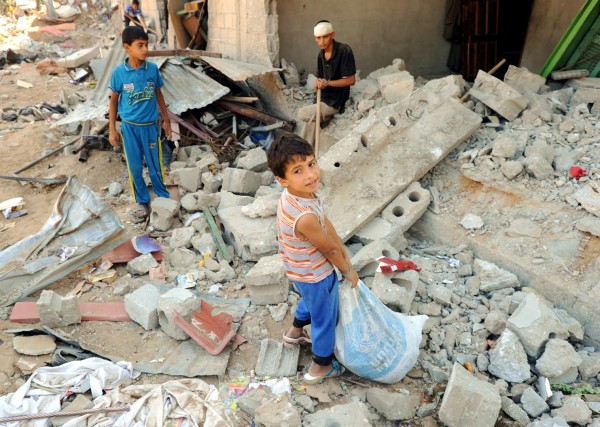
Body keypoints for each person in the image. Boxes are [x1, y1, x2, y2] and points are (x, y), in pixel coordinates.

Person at [267, 134, 359, 385]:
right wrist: (347, 269)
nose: (310, 175)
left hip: (299, 271)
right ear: (282, 180)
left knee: (310, 302)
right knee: (325, 318)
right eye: (298, 170)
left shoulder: (296, 196)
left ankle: (294, 333)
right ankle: (320, 366)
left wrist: (342, 248)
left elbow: (326, 224)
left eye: (311, 164)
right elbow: (328, 250)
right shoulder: (303, 215)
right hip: (317, 274)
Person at [108, 25, 171, 223]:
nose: (145, 49)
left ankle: (163, 198)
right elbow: (113, 101)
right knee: (134, 167)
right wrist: (112, 129)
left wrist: (166, 121)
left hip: (151, 127)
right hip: (130, 128)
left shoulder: (152, 70)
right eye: (140, 45)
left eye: (146, 45)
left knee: (155, 166)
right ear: (127, 47)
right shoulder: (119, 73)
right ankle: (143, 201)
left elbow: (159, 95)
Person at [298, 20, 356, 147]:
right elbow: (320, 78)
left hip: (335, 102)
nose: (322, 41)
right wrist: (318, 84)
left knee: (303, 113)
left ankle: (302, 152)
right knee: (312, 120)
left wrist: (328, 83)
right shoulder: (321, 55)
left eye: (325, 36)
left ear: (332, 35)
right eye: (318, 38)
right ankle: (304, 151)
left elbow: (351, 80)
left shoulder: (344, 50)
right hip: (322, 98)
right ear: (315, 38)